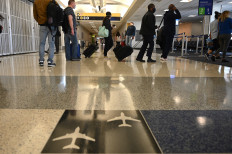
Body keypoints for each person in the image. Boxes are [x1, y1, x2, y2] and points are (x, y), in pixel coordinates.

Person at [33, 0, 57, 67]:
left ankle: (41, 60)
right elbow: (57, 11)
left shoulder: (36, 2)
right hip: (52, 25)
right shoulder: (52, 1)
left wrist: (40, 21)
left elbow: (35, 15)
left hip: (42, 25)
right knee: (51, 43)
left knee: (42, 43)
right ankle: (50, 61)